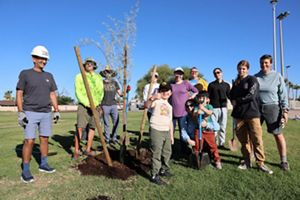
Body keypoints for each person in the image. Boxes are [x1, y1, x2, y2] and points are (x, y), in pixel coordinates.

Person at [16, 45, 60, 183]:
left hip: (46, 112)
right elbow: (19, 93)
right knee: (29, 140)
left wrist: (56, 110)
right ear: (33, 58)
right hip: (30, 112)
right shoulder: (25, 73)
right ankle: (26, 170)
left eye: (46, 59)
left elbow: (52, 94)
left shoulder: (49, 76)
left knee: (45, 139)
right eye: (41, 58)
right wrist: (20, 112)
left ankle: (43, 164)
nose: (44, 61)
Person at [230, 60, 273, 174]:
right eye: (239, 68)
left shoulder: (252, 79)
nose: (241, 70)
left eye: (243, 68)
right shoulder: (236, 82)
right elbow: (231, 95)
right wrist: (232, 100)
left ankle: (260, 163)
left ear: (247, 69)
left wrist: (237, 100)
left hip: (252, 114)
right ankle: (247, 161)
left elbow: (251, 95)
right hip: (239, 115)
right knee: (244, 141)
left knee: (257, 139)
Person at [255, 54, 290, 171]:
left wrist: (285, 110)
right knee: (253, 134)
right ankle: (249, 157)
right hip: (257, 109)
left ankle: (284, 161)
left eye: (266, 62)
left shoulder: (277, 76)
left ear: (271, 63)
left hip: (273, 108)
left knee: (278, 134)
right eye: (262, 63)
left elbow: (283, 94)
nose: (264, 65)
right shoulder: (255, 77)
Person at [181, 91, 222, 169]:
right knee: (197, 145)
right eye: (187, 106)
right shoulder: (196, 108)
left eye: (191, 105)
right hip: (198, 130)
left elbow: (210, 113)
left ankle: (217, 161)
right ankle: (196, 160)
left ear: (207, 100)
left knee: (213, 146)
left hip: (208, 131)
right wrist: (197, 112)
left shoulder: (209, 106)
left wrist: (205, 118)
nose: (189, 108)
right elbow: (194, 113)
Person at [73, 57, 104, 159]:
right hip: (84, 105)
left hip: (95, 106)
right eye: (87, 63)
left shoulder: (98, 77)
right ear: (84, 65)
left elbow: (100, 92)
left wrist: (96, 104)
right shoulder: (79, 76)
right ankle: (76, 151)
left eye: (91, 63)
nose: (89, 64)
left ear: (94, 65)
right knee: (80, 127)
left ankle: (87, 149)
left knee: (92, 127)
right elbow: (78, 92)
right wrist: (87, 103)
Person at [145, 82, 174, 185]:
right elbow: (146, 105)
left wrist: (171, 135)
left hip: (166, 131)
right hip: (156, 129)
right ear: (160, 92)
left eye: (167, 90)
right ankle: (154, 175)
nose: (166, 92)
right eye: (163, 90)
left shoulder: (170, 106)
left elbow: (170, 121)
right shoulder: (156, 101)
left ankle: (163, 169)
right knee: (156, 152)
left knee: (167, 152)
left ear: (171, 92)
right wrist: (152, 98)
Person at [170, 67, 198, 155]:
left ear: (182, 75)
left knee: (183, 132)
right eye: (176, 73)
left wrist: (191, 97)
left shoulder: (186, 83)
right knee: (171, 132)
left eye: (180, 73)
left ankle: (184, 151)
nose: (178, 75)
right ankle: (170, 150)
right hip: (172, 112)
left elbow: (196, 91)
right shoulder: (171, 85)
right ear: (174, 74)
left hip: (183, 112)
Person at [208, 68, 230, 148]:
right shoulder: (211, 85)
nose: (217, 74)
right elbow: (208, 96)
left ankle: (222, 143)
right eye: (215, 73)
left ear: (222, 73)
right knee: (214, 126)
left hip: (223, 108)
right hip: (214, 108)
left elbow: (229, 95)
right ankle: (214, 142)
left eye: (218, 72)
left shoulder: (226, 85)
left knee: (222, 126)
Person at [100, 65, 123, 144]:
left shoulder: (115, 82)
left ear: (111, 73)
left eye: (109, 72)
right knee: (106, 123)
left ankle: (114, 137)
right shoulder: (101, 82)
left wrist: (126, 91)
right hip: (104, 105)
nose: (108, 73)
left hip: (113, 104)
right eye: (106, 72)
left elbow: (120, 93)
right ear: (104, 73)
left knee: (116, 122)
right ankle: (107, 139)